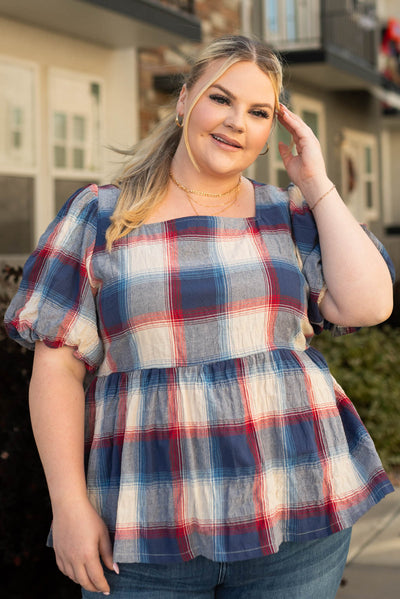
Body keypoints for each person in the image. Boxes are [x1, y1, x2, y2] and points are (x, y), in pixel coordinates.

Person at [4, 35, 395, 599]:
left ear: (271, 131)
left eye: (259, 112)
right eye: (221, 99)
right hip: (143, 523)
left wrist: (316, 182)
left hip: (298, 504)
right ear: (185, 100)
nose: (238, 121)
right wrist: (69, 507)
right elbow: (57, 370)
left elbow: (367, 304)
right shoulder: (99, 215)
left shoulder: (288, 213)